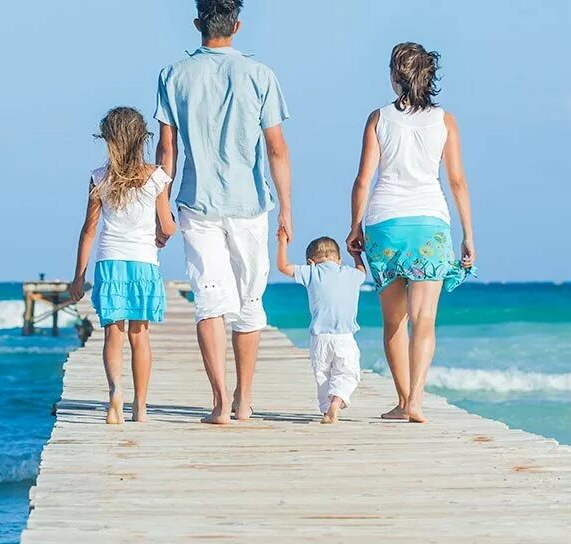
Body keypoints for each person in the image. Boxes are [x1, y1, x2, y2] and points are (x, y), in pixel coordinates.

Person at [154, 0, 294, 425]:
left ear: (198, 23)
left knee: (209, 302)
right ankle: (245, 400)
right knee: (250, 300)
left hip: (197, 202)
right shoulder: (260, 75)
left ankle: (219, 402)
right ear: (237, 25)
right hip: (250, 203)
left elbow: (166, 150)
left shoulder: (173, 75)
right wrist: (286, 210)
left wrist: (161, 208)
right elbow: (276, 148)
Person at [345, 42, 477, 423]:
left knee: (393, 323)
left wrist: (355, 226)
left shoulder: (379, 118)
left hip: (385, 225)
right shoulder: (445, 121)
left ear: (393, 76)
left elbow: (363, 180)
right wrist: (468, 234)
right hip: (430, 226)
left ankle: (403, 401)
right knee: (425, 320)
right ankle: (416, 400)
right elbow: (457, 182)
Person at [68, 107, 178, 425]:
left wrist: (79, 276)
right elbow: (168, 226)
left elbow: (89, 230)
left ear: (109, 140)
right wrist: (161, 234)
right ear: (142, 138)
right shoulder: (156, 177)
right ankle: (140, 407)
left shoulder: (99, 177)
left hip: (110, 262)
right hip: (143, 262)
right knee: (139, 336)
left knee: (112, 334)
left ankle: (115, 390)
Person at [276, 232, 364, 424]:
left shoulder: (312, 272)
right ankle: (337, 401)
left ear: (310, 261)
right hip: (344, 337)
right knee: (348, 373)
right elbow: (362, 273)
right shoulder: (351, 274)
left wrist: (282, 241)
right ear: (339, 259)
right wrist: (356, 255)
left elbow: (282, 267)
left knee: (322, 375)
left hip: (319, 339)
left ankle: (326, 410)